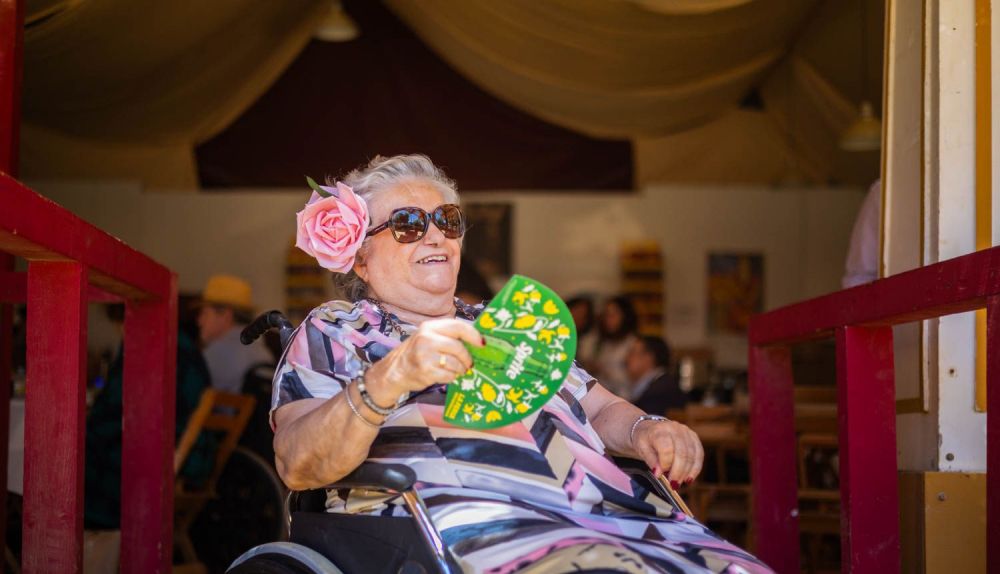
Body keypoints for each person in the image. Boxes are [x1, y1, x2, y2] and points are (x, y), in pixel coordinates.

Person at [271, 154, 771, 573]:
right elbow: (298, 461)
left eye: (447, 220)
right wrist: (390, 377)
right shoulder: (337, 330)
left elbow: (597, 408)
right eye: (406, 224)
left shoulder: (508, 322)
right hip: (474, 523)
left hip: (599, 510)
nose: (434, 236)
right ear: (360, 257)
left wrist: (645, 428)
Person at [197, 274, 273, 394]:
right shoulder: (261, 350)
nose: (199, 321)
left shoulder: (214, 354)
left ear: (225, 315)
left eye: (205, 313)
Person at [588, 295, 640, 399]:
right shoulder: (603, 343)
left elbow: (636, 379)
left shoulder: (634, 343)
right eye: (606, 315)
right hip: (602, 398)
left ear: (625, 316)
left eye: (613, 315)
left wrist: (605, 370)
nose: (609, 319)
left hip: (626, 399)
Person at [625, 335, 687, 416]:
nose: (626, 358)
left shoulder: (658, 392)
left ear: (648, 358)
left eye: (632, 353)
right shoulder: (660, 384)